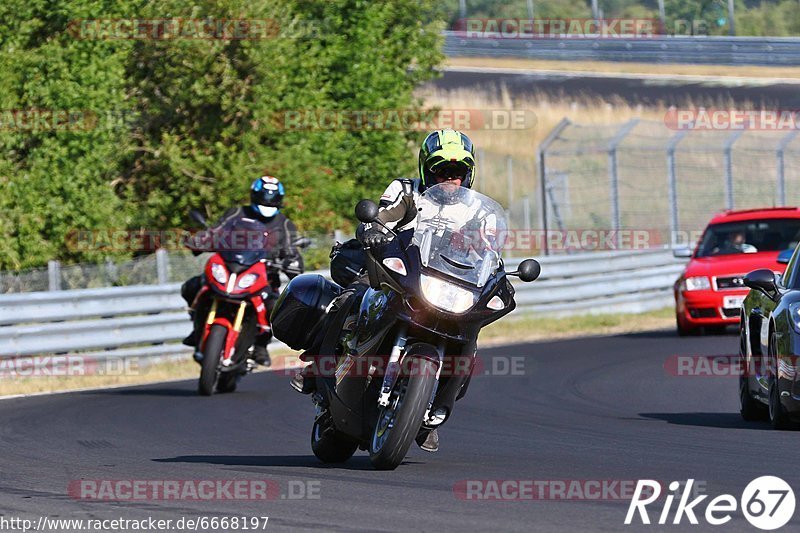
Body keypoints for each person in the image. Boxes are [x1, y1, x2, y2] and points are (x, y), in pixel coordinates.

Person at [291, 129, 478, 453]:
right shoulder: (407, 191)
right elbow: (379, 218)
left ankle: (430, 407)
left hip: (441, 284)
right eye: (441, 170)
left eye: (458, 171)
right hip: (394, 270)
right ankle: (317, 366)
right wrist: (373, 229)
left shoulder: (474, 210)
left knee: (470, 334)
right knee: (352, 298)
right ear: (426, 169)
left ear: (469, 174)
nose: (450, 178)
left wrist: (497, 269)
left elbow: (485, 249)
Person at [181, 176, 304, 367]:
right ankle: (197, 326)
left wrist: (293, 264)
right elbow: (216, 231)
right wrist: (200, 240)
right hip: (231, 268)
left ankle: (260, 345)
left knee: (276, 308)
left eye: (272, 198)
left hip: (263, 277)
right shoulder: (237, 213)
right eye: (263, 197)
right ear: (254, 196)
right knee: (191, 286)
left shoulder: (285, 224)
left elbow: (292, 250)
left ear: (279, 200)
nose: (267, 202)